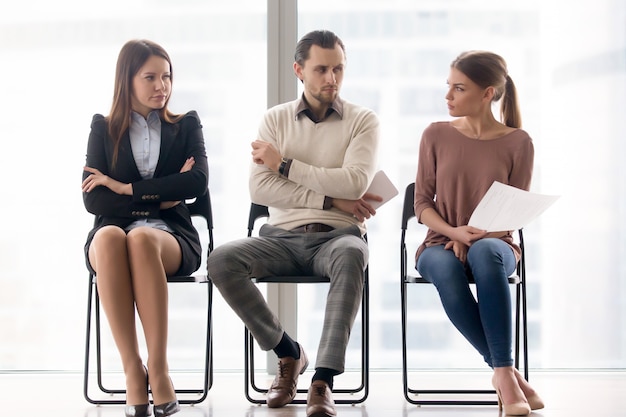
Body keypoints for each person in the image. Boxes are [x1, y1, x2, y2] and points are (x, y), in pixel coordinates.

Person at [207, 29, 380, 417]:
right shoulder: (274, 119)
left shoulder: (363, 120)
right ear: (299, 70)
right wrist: (330, 197)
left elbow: (355, 181)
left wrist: (284, 165)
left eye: (338, 69)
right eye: (321, 69)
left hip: (338, 237)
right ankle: (289, 353)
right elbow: (261, 188)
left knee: (354, 253)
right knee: (221, 260)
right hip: (280, 238)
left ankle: (322, 381)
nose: (331, 79)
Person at [412, 50, 544, 416]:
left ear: (487, 93)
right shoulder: (435, 135)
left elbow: (515, 212)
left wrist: (473, 236)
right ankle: (505, 373)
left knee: (486, 253)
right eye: (449, 87)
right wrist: (454, 231)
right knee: (448, 271)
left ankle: (503, 375)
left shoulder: (519, 142)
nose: (448, 96)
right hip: (439, 243)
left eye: (459, 88)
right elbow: (422, 203)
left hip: (496, 243)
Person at [82, 39, 208, 417]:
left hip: (171, 238)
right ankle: (132, 371)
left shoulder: (186, 124)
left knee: (139, 238)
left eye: (167, 76)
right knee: (109, 236)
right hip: (112, 237)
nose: (162, 86)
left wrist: (125, 188)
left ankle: (159, 367)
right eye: (150, 77)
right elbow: (93, 200)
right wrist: (163, 197)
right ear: (128, 80)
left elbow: (196, 183)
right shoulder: (102, 129)